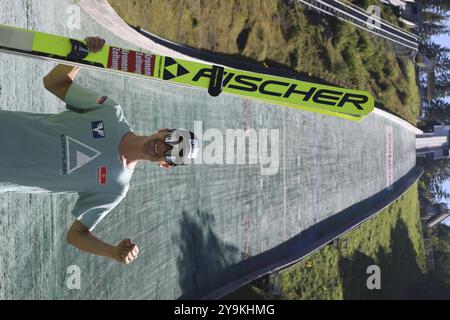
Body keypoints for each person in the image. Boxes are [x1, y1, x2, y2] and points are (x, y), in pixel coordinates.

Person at [0, 36, 199, 264]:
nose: (164, 147)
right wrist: (83, 55)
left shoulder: (115, 189)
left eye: (172, 154)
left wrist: (113, 252)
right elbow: (54, 82)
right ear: (163, 129)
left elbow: (76, 236)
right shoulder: (110, 111)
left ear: (165, 164)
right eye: (172, 139)